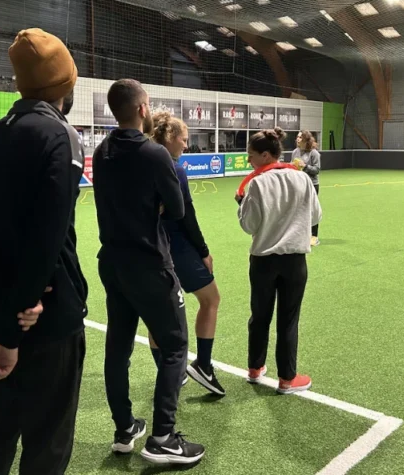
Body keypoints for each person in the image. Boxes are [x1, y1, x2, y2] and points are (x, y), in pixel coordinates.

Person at [0, 29, 88, 475]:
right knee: (47, 440)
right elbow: (46, 238)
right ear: (67, 83)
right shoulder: (59, 136)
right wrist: (21, 312)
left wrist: (0, 307)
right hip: (44, 315)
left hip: (0, 307)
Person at [93, 79, 205, 465]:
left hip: (112, 262)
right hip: (149, 264)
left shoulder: (101, 150)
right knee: (175, 346)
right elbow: (176, 210)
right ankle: (162, 437)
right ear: (142, 109)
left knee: (118, 348)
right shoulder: (155, 154)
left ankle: (125, 429)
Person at [236, 128, 322, 395]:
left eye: (251, 156)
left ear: (265, 155)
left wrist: (241, 204)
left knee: (259, 315)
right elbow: (316, 217)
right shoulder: (302, 179)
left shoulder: (258, 184)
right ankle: (287, 379)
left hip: (263, 261)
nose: (249, 161)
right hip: (294, 261)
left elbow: (249, 225)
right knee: (288, 319)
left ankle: (255, 368)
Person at [150, 111, 224, 396]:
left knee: (159, 315)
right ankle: (203, 365)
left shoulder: (142, 163)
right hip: (177, 247)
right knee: (211, 299)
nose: (186, 145)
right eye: (184, 139)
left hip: (151, 249)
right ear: (170, 138)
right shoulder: (174, 169)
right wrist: (203, 251)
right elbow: (186, 216)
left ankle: (169, 374)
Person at [291, 130, 322, 247]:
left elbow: (316, 170)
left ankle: (314, 237)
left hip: (312, 185)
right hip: (299, 184)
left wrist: (305, 167)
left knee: (312, 210)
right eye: (297, 137)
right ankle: (300, 234)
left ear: (306, 140)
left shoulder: (314, 153)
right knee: (298, 209)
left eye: (300, 137)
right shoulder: (295, 152)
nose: (297, 139)